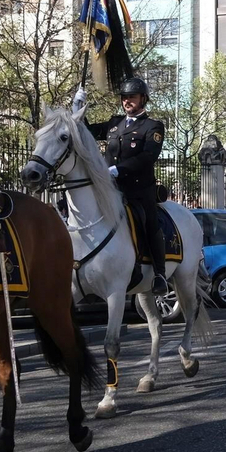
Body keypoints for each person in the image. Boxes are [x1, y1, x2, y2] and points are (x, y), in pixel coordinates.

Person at [80, 76, 169, 295]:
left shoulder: (153, 126)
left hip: (139, 190)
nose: (127, 101)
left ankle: (160, 274)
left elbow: (149, 156)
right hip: (110, 189)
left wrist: (120, 169)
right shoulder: (114, 123)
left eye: (132, 97)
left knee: (148, 223)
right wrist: (79, 109)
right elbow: (86, 133)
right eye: (124, 97)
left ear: (143, 99)